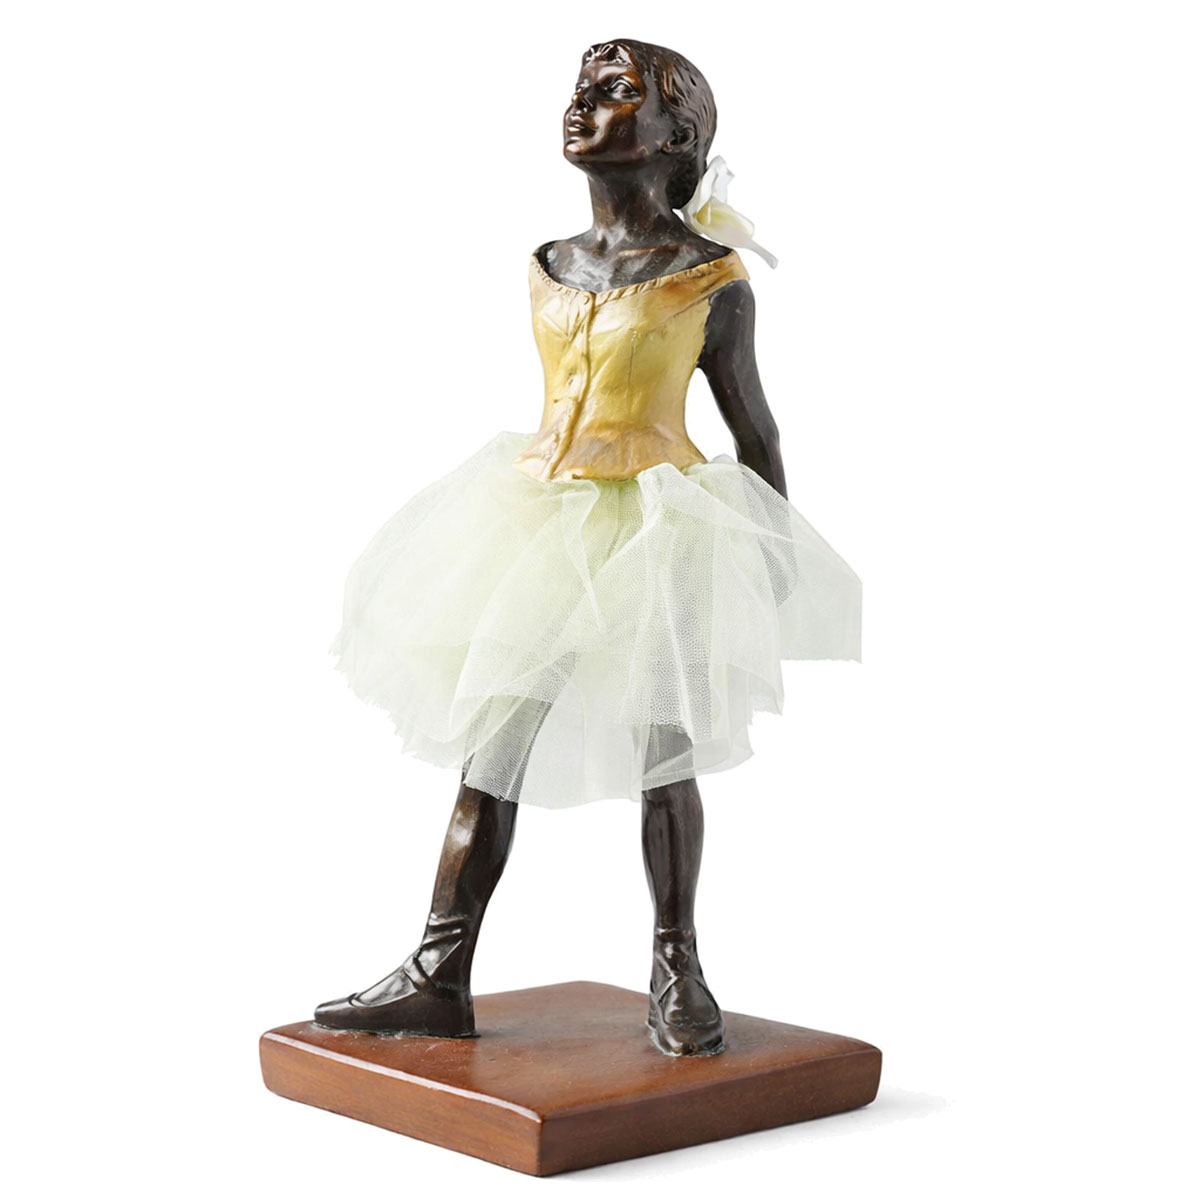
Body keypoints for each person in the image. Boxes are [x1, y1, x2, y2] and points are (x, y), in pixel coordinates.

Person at [313, 38, 861, 1057]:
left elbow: (755, 429)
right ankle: (438, 970)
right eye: (580, 89)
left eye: (613, 93)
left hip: (661, 525)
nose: (582, 106)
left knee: (665, 751)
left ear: (675, 134)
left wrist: (773, 551)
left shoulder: (710, 280)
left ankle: (676, 964)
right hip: (541, 518)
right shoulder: (549, 264)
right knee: (491, 748)